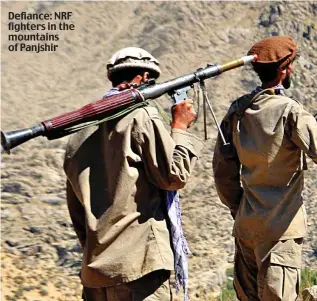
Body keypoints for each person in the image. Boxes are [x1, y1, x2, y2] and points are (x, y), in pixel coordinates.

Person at [64, 47, 204, 301]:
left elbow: (77, 212)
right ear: (143, 78)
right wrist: (180, 127)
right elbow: (174, 176)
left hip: (97, 276)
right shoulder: (141, 116)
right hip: (139, 271)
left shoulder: (78, 134)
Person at [212, 36, 317, 301]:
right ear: (284, 69)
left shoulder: (237, 111)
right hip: (280, 234)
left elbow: (222, 173)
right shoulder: (290, 112)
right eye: (290, 65)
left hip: (246, 231)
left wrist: (241, 210)